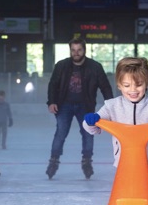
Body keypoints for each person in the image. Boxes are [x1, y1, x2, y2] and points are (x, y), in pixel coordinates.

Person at [82, 57, 148, 201]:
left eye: (138, 84)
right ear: (119, 85)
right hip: (124, 167)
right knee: (126, 204)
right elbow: (92, 129)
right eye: (126, 85)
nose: (133, 90)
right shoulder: (112, 106)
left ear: (147, 83)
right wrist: (90, 121)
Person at [46, 38, 114, 180]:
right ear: (70, 50)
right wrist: (51, 102)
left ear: (84, 50)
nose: (76, 53)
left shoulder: (95, 67)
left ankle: (87, 161)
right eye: (73, 50)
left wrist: (111, 105)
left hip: (86, 105)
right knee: (61, 132)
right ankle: (53, 160)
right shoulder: (61, 66)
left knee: (88, 133)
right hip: (64, 105)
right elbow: (53, 84)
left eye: (79, 50)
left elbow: (105, 87)